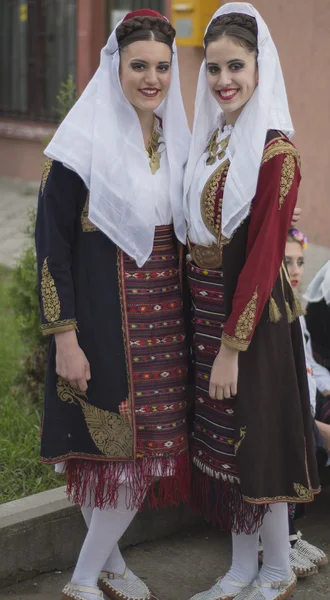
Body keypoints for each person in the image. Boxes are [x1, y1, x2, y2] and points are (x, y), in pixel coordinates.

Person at [35, 9, 191, 600]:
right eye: (138, 66)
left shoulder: (172, 139)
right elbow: (51, 251)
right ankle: (82, 582)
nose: (151, 79)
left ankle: (111, 567)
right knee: (110, 460)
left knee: (141, 460)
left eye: (162, 67)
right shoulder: (79, 149)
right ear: (115, 68)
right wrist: (65, 340)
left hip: (164, 327)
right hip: (103, 326)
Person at [184, 3, 320, 600]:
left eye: (235, 66)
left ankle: (278, 570)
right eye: (213, 70)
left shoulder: (275, 154)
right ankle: (242, 568)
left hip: (253, 323)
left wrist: (231, 349)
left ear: (260, 67)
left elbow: (266, 255)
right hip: (209, 311)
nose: (223, 82)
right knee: (225, 448)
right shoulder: (216, 136)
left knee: (256, 441)